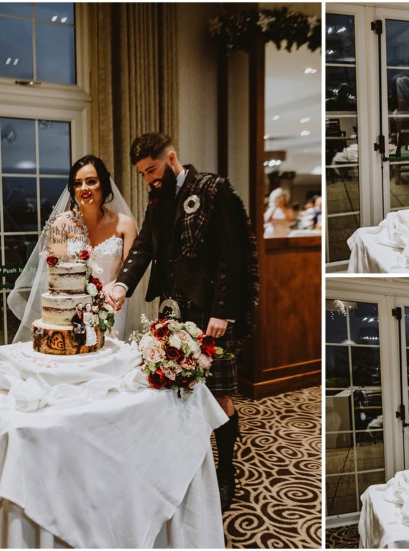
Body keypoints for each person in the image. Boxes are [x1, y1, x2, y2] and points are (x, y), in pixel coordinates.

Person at [108, 133, 259, 511]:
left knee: (220, 395)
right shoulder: (158, 200)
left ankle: (226, 473)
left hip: (211, 315)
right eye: (142, 174)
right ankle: (190, 466)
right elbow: (144, 245)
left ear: (171, 158)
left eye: (152, 170)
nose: (148, 179)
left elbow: (233, 254)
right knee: (176, 390)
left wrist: (222, 311)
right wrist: (123, 284)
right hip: (173, 311)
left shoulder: (212, 190)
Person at [8, 155, 139, 342]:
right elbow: (58, 273)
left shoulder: (125, 224)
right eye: (78, 183)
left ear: (104, 184)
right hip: (70, 309)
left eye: (91, 181)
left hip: (111, 307)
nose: (84, 188)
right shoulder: (61, 224)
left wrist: (115, 286)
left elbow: (129, 270)